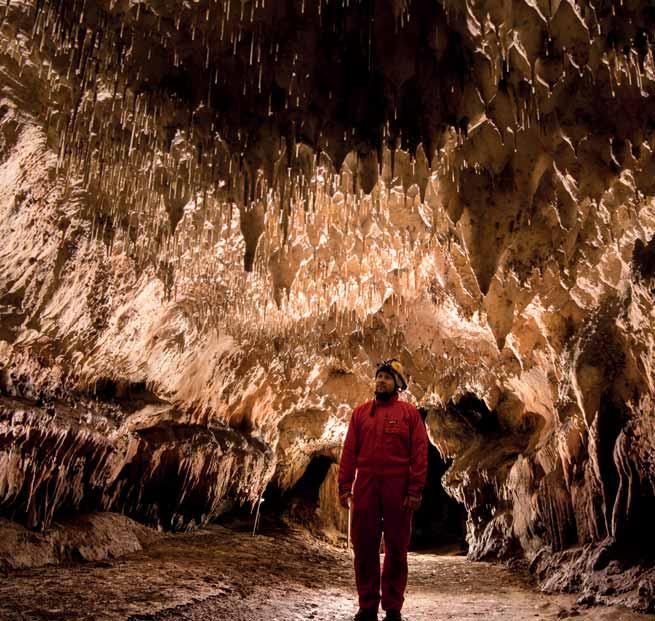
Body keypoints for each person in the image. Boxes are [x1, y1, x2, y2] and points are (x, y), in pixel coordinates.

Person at [338, 359, 429, 621]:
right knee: (364, 546)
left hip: (397, 487)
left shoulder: (409, 414)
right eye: (379, 376)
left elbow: (419, 454)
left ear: (397, 385)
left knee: (396, 548)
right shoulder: (360, 414)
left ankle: (392, 608)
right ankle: (367, 605)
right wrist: (345, 485)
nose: (380, 381)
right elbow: (349, 452)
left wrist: (415, 490)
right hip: (366, 485)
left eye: (387, 378)